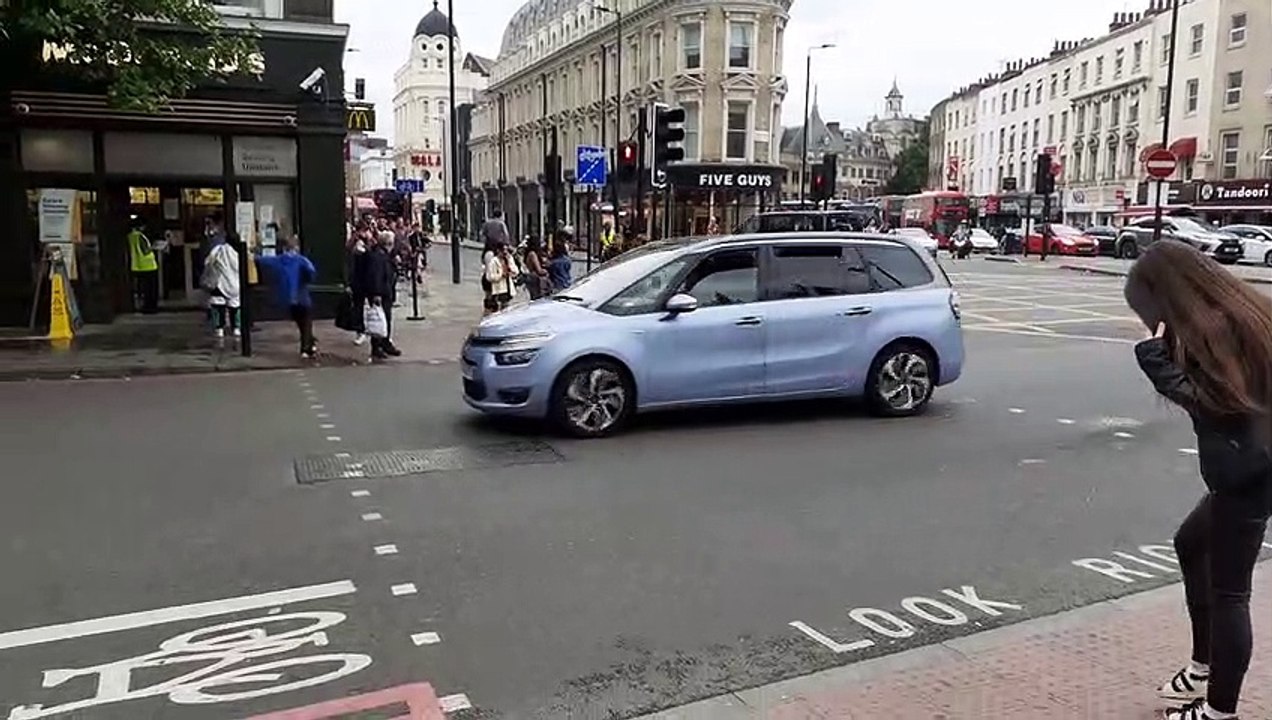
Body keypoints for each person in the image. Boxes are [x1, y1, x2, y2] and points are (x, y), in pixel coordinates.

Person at [1125, 240, 1272, 720]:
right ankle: (1203, 666)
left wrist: (1158, 362)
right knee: (1191, 542)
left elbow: (1222, 407)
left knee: (1231, 593)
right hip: (1253, 463)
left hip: (1248, 473)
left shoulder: (1218, 329)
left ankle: (1218, 712)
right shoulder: (1244, 310)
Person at [256, 236, 318, 359]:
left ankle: (310, 343)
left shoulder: (279, 260)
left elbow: (263, 260)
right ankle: (306, 348)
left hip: (288, 299)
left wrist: (253, 255)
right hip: (302, 297)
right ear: (297, 248)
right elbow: (311, 271)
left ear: (284, 248)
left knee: (301, 322)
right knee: (306, 323)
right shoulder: (302, 260)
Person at [354, 230, 402, 360]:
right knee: (380, 319)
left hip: (385, 291)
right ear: (388, 243)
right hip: (381, 293)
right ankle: (378, 346)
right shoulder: (378, 256)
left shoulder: (383, 255)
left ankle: (385, 343)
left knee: (384, 319)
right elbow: (376, 276)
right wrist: (376, 293)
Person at [200, 231, 240, 338]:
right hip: (235, 285)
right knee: (235, 306)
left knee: (218, 305)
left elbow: (208, 262)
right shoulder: (238, 253)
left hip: (219, 284)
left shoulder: (218, 250)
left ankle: (219, 329)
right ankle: (236, 327)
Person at [127, 217, 160, 314]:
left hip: (137, 266)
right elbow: (145, 250)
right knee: (151, 290)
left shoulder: (130, 236)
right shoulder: (140, 236)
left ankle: (145, 307)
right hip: (148, 265)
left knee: (143, 289)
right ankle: (151, 308)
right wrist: (154, 247)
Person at [484, 241, 519, 313]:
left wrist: (510, 263)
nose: (505, 252)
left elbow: (516, 271)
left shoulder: (508, 259)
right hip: (499, 289)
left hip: (508, 288)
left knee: (506, 308)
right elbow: (489, 277)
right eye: (503, 250)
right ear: (498, 250)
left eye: (506, 250)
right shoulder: (493, 261)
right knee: (500, 309)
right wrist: (500, 275)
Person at [522, 235, 549, 300]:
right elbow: (539, 270)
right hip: (534, 280)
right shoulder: (533, 254)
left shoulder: (528, 253)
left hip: (530, 278)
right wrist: (546, 271)